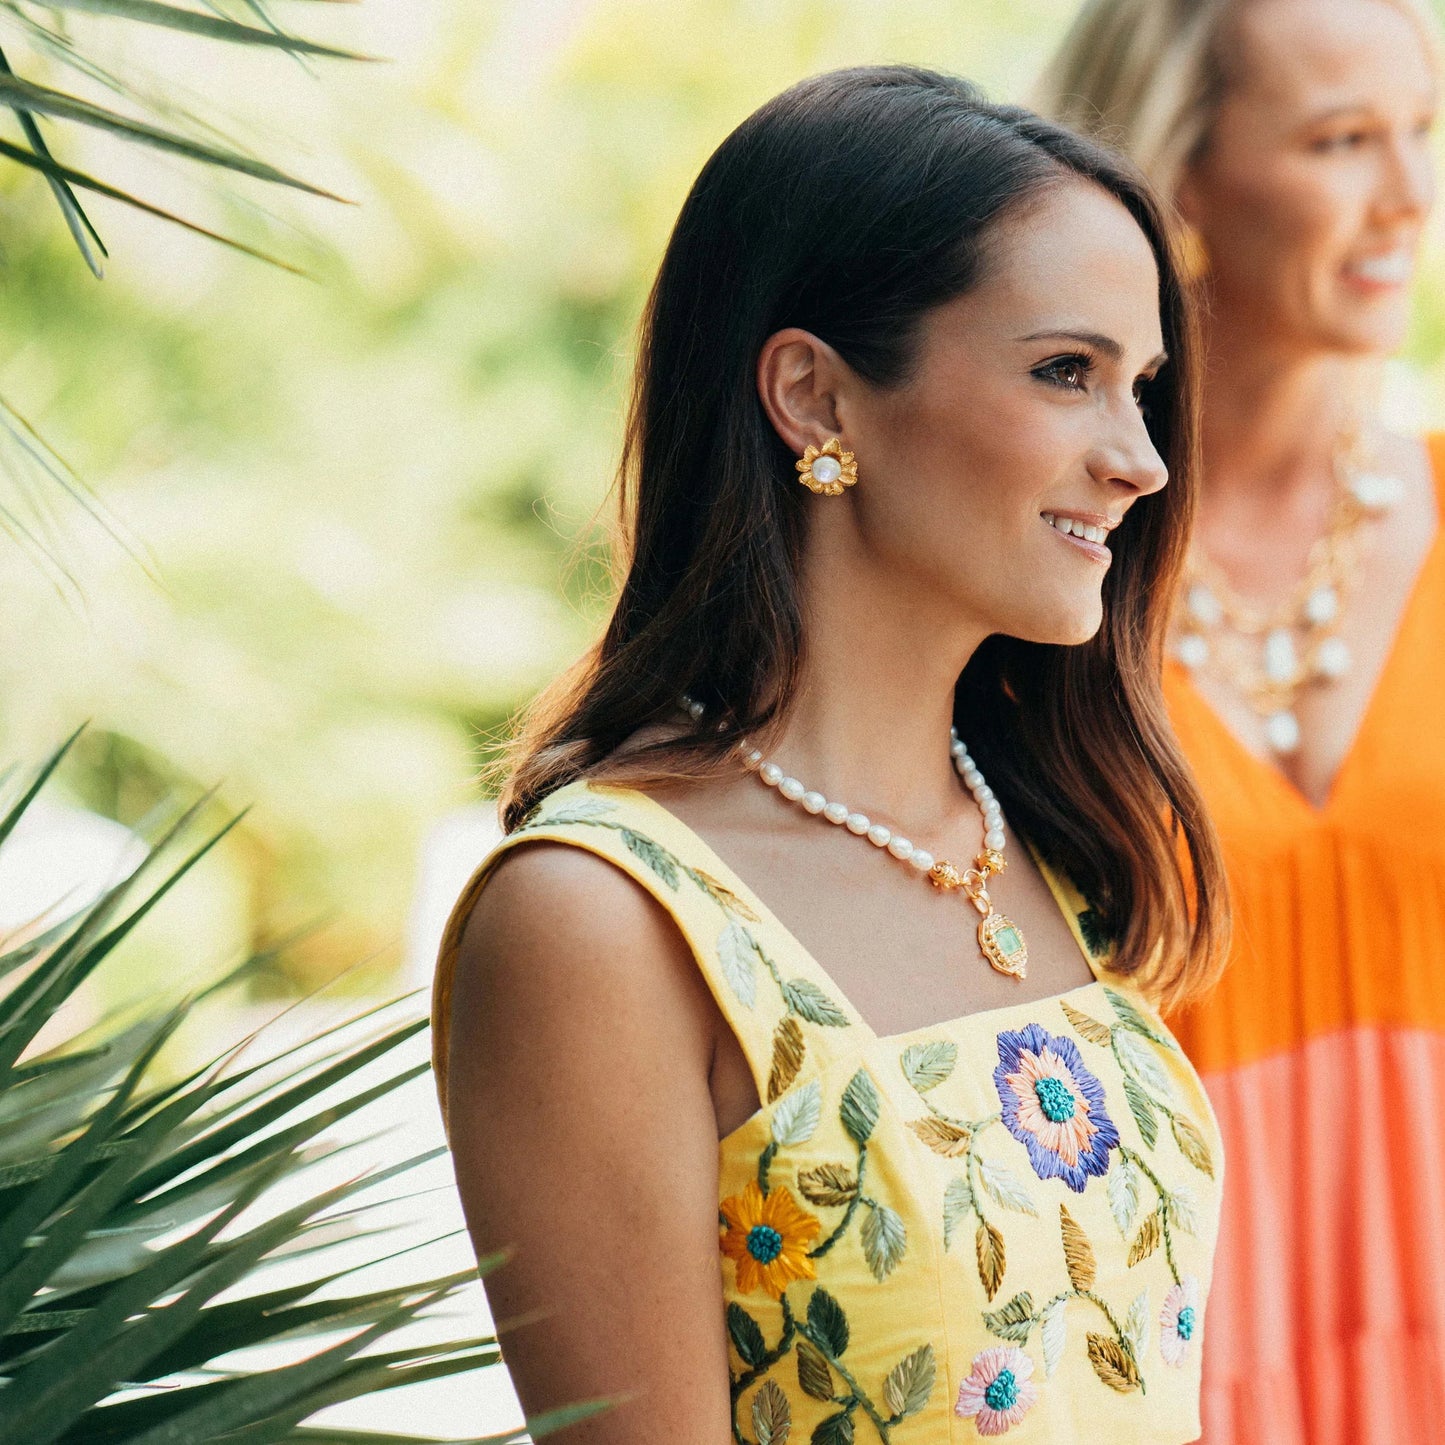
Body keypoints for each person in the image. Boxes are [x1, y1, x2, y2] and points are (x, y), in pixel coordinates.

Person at [433, 65, 1228, 1444]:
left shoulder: (1053, 845)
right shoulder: (599, 920)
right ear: (816, 398)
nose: (1139, 458)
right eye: (1065, 373)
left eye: (1140, 387)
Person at [1040, 3, 1442, 1441]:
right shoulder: (1042, 575)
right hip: (1165, 1368)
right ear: (1178, 182)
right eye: (1342, 142)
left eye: (1420, 133)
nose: (1408, 195)